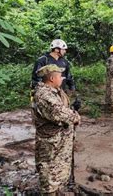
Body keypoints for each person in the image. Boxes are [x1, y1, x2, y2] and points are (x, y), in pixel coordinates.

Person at [32, 64, 81, 194]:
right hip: (51, 143)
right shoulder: (44, 95)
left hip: (58, 141)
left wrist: (72, 109)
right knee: (50, 173)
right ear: (52, 78)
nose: (62, 78)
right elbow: (59, 113)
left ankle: (58, 190)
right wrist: (75, 116)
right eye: (60, 76)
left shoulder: (55, 90)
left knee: (58, 171)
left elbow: (62, 109)